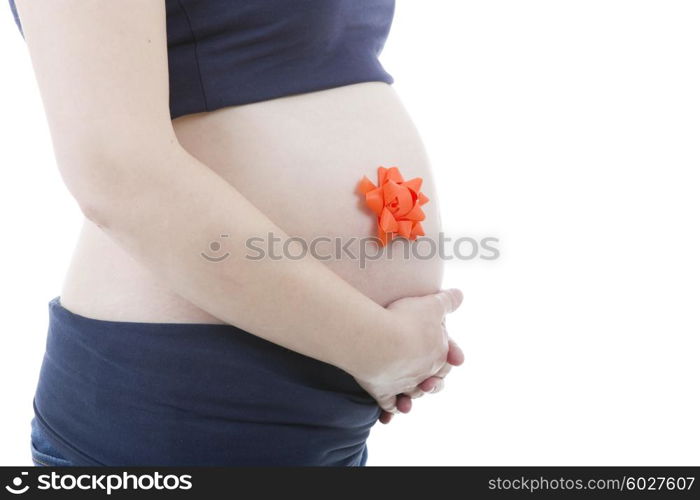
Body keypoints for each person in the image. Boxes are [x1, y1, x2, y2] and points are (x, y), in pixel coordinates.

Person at [11, 0, 465, 466]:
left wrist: (383, 349)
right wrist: (383, 348)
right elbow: (116, 171)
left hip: (334, 407)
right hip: (184, 401)